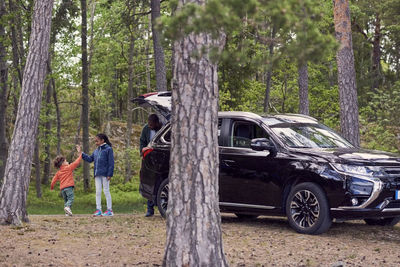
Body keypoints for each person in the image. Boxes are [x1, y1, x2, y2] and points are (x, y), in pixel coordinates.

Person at [82, 133, 115, 217]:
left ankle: (109, 210)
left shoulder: (108, 149)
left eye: (97, 141)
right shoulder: (96, 151)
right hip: (97, 174)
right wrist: (81, 154)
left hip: (105, 174)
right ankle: (99, 210)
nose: (95, 142)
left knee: (106, 191)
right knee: (98, 192)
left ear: (102, 140)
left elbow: (111, 163)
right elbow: (90, 159)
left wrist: (109, 174)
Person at [140, 113, 163, 217]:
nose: (149, 125)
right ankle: (150, 209)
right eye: (148, 123)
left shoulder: (163, 127)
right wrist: (142, 152)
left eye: (151, 124)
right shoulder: (146, 129)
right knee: (150, 183)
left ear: (157, 123)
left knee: (160, 182)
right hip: (149, 157)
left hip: (161, 158)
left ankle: (162, 205)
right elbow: (142, 141)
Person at [50, 145, 82, 216]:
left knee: (66, 200)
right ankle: (67, 208)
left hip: (62, 189)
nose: (67, 162)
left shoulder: (58, 172)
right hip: (69, 187)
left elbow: (53, 180)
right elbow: (77, 162)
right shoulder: (69, 167)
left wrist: (52, 187)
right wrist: (80, 154)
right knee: (71, 199)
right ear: (63, 163)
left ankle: (67, 212)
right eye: (66, 161)